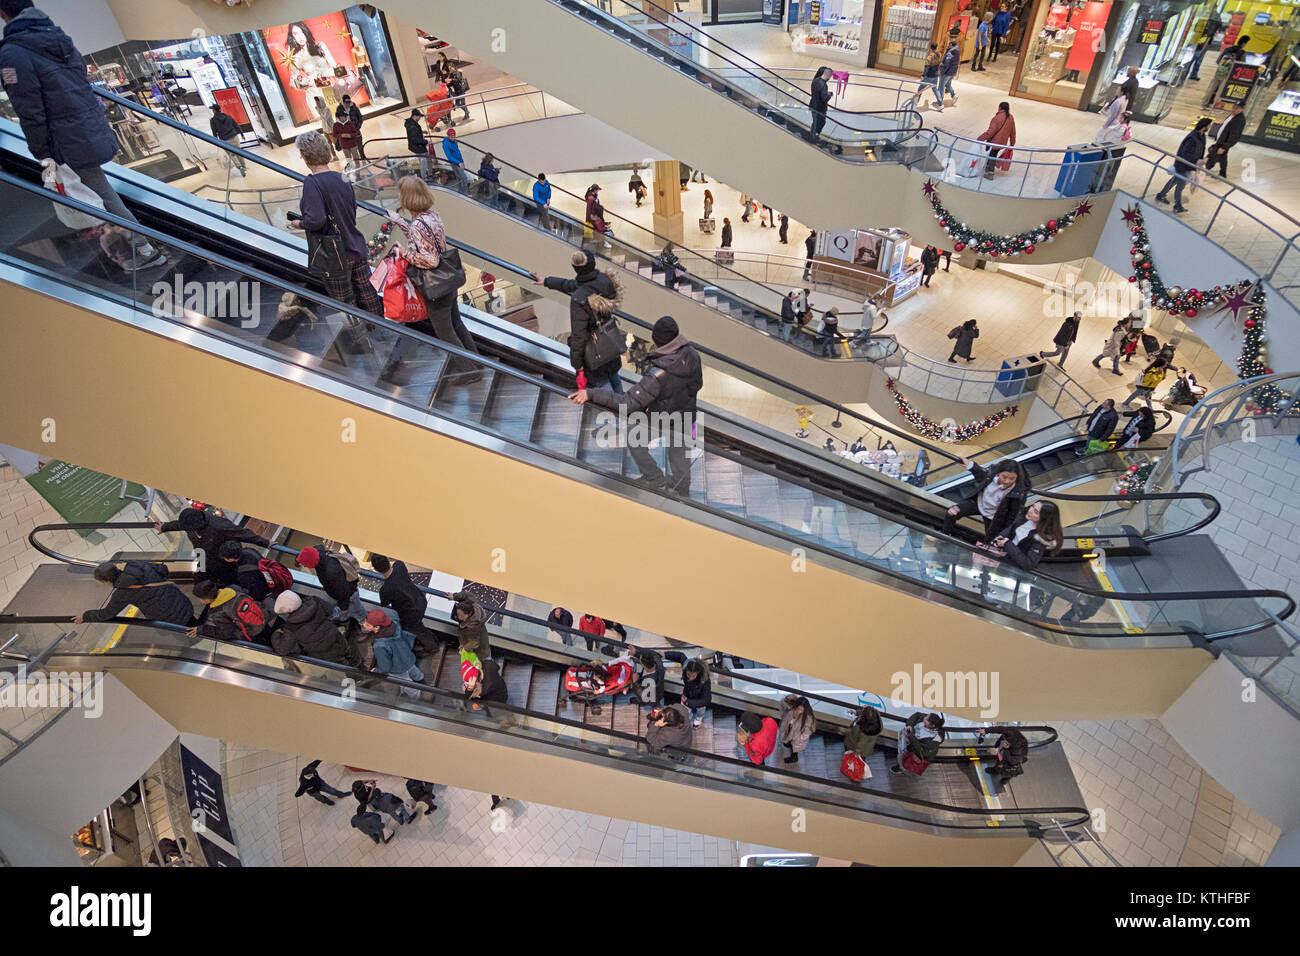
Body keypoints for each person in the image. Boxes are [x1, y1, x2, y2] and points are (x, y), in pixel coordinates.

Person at [0, 0, 164, 267]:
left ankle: (147, 251)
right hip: (88, 128)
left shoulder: (13, 54)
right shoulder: (57, 37)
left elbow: (29, 109)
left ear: (4, 13)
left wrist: (42, 152)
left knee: (105, 196)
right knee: (100, 192)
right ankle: (140, 248)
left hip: (66, 140)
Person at [570, 315, 702, 495]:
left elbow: (628, 403)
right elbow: (698, 384)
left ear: (658, 341)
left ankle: (654, 478)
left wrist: (591, 393)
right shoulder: (693, 354)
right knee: (679, 452)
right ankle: (682, 489)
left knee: (634, 436)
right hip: (686, 415)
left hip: (662, 418)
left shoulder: (657, 374)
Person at [385, 176, 482, 381]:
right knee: (456, 324)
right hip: (448, 281)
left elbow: (431, 260)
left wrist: (405, 254)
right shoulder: (432, 216)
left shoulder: (419, 224)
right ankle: (476, 363)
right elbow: (421, 237)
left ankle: (469, 372)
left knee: (445, 333)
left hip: (435, 287)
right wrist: (400, 222)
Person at [288, 132, 383, 315]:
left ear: (306, 157)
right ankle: (381, 330)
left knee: (346, 304)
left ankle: (360, 339)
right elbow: (351, 209)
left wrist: (299, 224)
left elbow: (315, 220)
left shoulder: (312, 182)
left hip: (334, 255)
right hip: (355, 243)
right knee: (368, 294)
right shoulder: (343, 177)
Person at [533, 250, 625, 394]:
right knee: (615, 380)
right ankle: (625, 407)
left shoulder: (579, 299)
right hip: (609, 343)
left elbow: (578, 336)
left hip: (595, 355)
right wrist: (547, 281)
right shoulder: (604, 280)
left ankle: (618, 414)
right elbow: (572, 285)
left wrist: (577, 364)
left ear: (576, 269)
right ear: (592, 263)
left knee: (606, 394)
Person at [155, 507, 268, 580]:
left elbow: (242, 533)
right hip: (204, 554)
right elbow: (179, 525)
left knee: (227, 575)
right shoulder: (190, 523)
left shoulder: (219, 525)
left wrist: (266, 543)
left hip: (221, 556)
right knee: (202, 574)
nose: (187, 529)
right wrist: (165, 527)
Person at [75, 560, 196, 627]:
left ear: (106, 581)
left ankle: (201, 638)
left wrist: (85, 616)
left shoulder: (122, 593)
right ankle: (203, 630)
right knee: (192, 620)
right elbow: (164, 570)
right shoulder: (139, 565)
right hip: (179, 600)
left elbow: (106, 614)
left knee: (187, 630)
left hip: (169, 617)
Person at [942, 457, 1028, 540]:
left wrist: (1004, 531)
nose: (1007, 481)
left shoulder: (1018, 492)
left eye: (1012, 479)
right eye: (1004, 477)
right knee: (951, 513)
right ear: (999, 473)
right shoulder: (992, 474)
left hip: (994, 516)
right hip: (979, 503)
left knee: (991, 539)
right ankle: (944, 535)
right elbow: (981, 475)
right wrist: (970, 464)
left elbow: (1013, 514)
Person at [370, 553, 438, 655]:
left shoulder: (386, 589)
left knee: (418, 630)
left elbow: (384, 603)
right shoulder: (399, 566)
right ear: (388, 560)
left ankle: (432, 647)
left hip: (409, 614)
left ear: (376, 570)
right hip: (419, 600)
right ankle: (432, 640)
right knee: (419, 627)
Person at [268, 590, 354, 665]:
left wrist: (277, 633)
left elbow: (282, 649)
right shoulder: (315, 601)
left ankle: (357, 679)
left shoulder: (291, 627)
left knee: (342, 664)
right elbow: (331, 612)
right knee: (350, 652)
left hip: (323, 651)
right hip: (336, 636)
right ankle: (359, 665)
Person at [356, 608, 424, 697]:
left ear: (377, 627)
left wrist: (376, 670)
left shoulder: (380, 645)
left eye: (368, 624)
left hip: (398, 668)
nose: (364, 624)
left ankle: (415, 696)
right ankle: (420, 679)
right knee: (412, 669)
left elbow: (385, 667)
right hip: (407, 656)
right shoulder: (395, 624)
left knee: (405, 682)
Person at [294, 545, 364, 625]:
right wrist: (299, 558)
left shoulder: (331, 571)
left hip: (349, 594)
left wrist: (344, 607)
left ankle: (363, 625)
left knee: (356, 611)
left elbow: (343, 591)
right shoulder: (318, 553)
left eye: (305, 564)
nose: (305, 566)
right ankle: (344, 617)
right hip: (336, 590)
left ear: (311, 563)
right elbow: (316, 548)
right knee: (347, 608)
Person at [986, 500, 1064, 570]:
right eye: (1033, 506)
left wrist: (1007, 544)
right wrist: (1001, 537)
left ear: (1044, 518)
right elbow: (1011, 528)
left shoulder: (1041, 539)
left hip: (1012, 567)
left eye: (1035, 512)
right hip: (1003, 554)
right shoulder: (1025, 515)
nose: (1030, 510)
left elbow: (1028, 564)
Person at [1155, 117, 1210, 215]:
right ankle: (1177, 206)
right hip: (1183, 164)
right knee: (1181, 185)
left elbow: (1201, 150)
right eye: (1209, 125)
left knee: (1175, 180)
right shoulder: (1192, 138)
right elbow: (1185, 154)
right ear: (1204, 127)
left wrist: (1200, 162)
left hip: (1190, 165)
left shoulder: (1202, 136)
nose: (1210, 127)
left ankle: (1161, 194)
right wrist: (1197, 161)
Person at [1203, 34, 1251, 108]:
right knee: (1220, 91)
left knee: (1211, 89)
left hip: (1219, 72)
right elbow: (1241, 65)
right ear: (1244, 43)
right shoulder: (1242, 53)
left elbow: (1218, 61)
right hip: (1228, 75)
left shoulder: (1228, 49)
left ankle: (1204, 104)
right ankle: (1213, 106)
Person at [1206, 102, 1246, 178]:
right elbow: (1224, 127)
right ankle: (1222, 173)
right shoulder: (1232, 115)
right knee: (1222, 157)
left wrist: (1225, 147)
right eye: (1233, 107)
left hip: (1224, 143)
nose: (1234, 109)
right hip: (1220, 140)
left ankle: (1209, 168)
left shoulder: (1239, 120)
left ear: (1241, 109)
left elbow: (1234, 135)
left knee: (1213, 154)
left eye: (1236, 108)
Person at [978, 102, 1015, 179]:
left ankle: (990, 172)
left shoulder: (997, 118)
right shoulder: (1010, 117)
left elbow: (990, 132)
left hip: (994, 142)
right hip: (1002, 143)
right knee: (992, 154)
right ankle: (987, 168)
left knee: (992, 155)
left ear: (1000, 108)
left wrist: (980, 138)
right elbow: (1013, 132)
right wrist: (1012, 143)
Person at [451, 590, 491, 660]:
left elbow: (474, 642)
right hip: (479, 647)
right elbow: (466, 595)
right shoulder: (472, 604)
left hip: (479, 652)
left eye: (462, 616)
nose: (459, 618)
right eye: (458, 614)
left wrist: (463, 649)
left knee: (484, 663)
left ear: (469, 614)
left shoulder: (473, 627)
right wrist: (454, 596)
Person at [777, 695, 816, 765]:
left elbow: (807, 732)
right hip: (789, 731)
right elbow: (783, 705)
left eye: (801, 709)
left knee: (794, 749)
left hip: (797, 737)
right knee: (788, 742)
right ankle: (789, 744)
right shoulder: (792, 710)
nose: (799, 710)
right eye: (798, 708)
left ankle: (794, 758)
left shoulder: (808, 717)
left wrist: (799, 738)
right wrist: (788, 699)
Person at [208, 103, 246, 175]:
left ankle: (240, 167)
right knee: (239, 152)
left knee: (232, 155)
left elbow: (214, 132)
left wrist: (216, 141)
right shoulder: (228, 116)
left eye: (212, 109)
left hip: (225, 140)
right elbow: (236, 125)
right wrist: (242, 134)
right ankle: (244, 166)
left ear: (214, 111)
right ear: (220, 110)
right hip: (234, 137)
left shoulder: (212, 120)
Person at [910, 43, 944, 111]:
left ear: (930, 48)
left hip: (928, 76)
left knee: (920, 90)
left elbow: (927, 67)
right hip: (935, 75)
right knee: (935, 89)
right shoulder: (939, 55)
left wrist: (923, 75)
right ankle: (940, 104)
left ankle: (914, 104)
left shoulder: (930, 57)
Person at [680, 658, 711, 727]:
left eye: (693, 676)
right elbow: (680, 656)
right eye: (688, 675)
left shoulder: (704, 681)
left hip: (699, 698)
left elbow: (706, 700)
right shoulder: (685, 669)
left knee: (700, 710)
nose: (690, 678)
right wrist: (665, 654)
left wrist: (688, 702)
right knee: (684, 710)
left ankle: (698, 718)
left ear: (698, 673)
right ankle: (686, 717)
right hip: (687, 693)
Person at [331, 105, 362, 171]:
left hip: (353, 144)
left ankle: (358, 168)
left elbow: (355, 133)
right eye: (343, 117)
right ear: (339, 118)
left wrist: (350, 135)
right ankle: (352, 169)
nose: (345, 118)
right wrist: (341, 135)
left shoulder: (350, 123)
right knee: (348, 158)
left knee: (356, 157)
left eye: (345, 116)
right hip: (344, 145)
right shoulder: (335, 125)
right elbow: (334, 134)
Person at [440, 127, 470, 194]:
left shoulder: (455, 141)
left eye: (454, 136)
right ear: (448, 136)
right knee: (463, 178)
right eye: (451, 136)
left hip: (459, 162)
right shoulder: (446, 144)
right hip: (455, 163)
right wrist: (459, 162)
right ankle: (465, 193)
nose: (453, 138)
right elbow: (449, 156)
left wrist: (462, 161)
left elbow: (458, 152)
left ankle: (461, 191)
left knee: (460, 177)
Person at [583, 183, 613, 248]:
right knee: (599, 230)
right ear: (595, 190)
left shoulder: (595, 195)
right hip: (593, 217)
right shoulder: (591, 198)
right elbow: (589, 209)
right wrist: (591, 217)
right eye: (598, 190)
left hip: (597, 214)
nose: (598, 191)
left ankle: (601, 241)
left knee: (599, 229)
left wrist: (602, 207)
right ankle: (603, 242)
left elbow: (597, 204)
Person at [404, 109, 430, 179]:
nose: (420, 118)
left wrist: (421, 132)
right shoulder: (412, 126)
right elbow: (415, 139)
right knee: (423, 162)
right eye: (419, 117)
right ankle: (424, 177)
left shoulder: (411, 123)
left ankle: (426, 173)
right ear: (415, 116)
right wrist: (426, 142)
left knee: (424, 160)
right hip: (418, 147)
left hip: (417, 146)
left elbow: (415, 132)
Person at [808, 65, 831, 141]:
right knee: (820, 122)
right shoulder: (823, 85)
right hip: (820, 108)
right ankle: (814, 137)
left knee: (815, 122)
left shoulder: (815, 80)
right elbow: (824, 99)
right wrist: (829, 95)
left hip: (813, 105)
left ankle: (813, 135)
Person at [938, 38, 960, 107]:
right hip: (952, 72)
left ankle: (940, 101)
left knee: (941, 86)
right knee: (947, 84)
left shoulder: (950, 52)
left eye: (948, 43)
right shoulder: (956, 51)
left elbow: (946, 64)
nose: (947, 45)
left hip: (946, 72)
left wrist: (942, 70)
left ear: (951, 44)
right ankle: (953, 95)